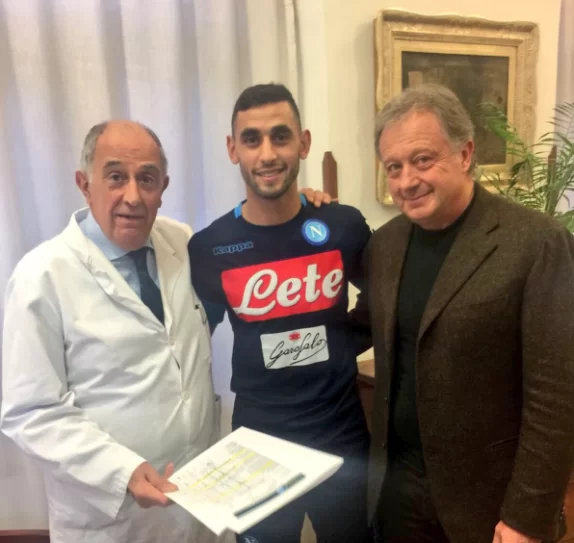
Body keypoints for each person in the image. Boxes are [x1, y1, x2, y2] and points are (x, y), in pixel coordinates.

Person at [351, 83, 574, 543]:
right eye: (393, 167)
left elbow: (556, 394)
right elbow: (358, 328)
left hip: (490, 504)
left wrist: (527, 517)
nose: (406, 181)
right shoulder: (385, 245)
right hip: (398, 492)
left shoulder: (536, 242)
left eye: (422, 160)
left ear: (465, 153)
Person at [1, 120, 219, 543]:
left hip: (196, 503)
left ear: (163, 188)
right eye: (116, 177)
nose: (133, 197)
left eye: (147, 179)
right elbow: (30, 410)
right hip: (111, 519)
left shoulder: (181, 242)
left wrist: (301, 208)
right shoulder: (42, 275)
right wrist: (121, 471)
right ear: (85, 185)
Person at [188, 83, 372, 543]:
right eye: (252, 139)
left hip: (341, 431)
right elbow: (189, 342)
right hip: (258, 438)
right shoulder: (209, 248)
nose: (267, 154)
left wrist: (345, 343)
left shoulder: (343, 226)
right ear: (233, 149)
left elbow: (384, 301)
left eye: (281, 136)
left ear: (303, 143)